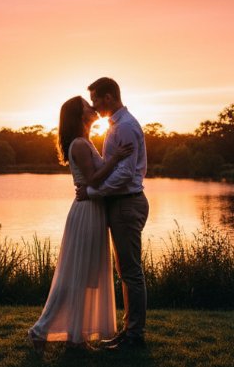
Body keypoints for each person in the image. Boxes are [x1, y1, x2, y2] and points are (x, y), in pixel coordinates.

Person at [27, 96, 133, 353]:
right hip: (86, 212)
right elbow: (94, 179)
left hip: (93, 210)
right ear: (79, 114)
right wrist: (116, 157)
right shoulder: (79, 145)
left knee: (86, 276)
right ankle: (40, 331)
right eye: (87, 105)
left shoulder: (85, 142)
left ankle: (76, 337)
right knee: (75, 275)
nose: (92, 107)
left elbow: (94, 182)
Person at [75, 76, 149, 351]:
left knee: (131, 272)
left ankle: (135, 336)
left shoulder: (125, 127)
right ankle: (129, 330)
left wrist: (92, 193)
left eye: (95, 99)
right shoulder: (116, 127)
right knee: (125, 271)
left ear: (108, 97)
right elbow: (114, 168)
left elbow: (124, 174)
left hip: (127, 203)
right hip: (121, 202)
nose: (94, 106)